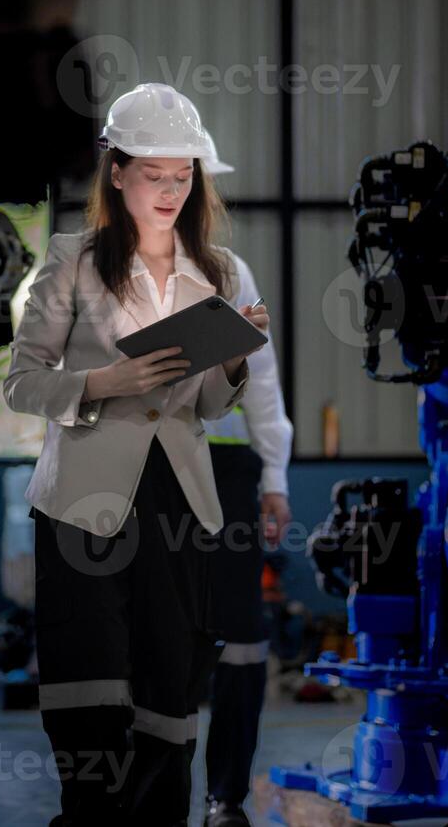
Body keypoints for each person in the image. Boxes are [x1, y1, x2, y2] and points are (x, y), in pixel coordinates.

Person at [3, 82, 271, 827]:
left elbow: (209, 408)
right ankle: (89, 817)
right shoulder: (70, 260)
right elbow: (22, 385)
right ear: (115, 172)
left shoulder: (213, 271)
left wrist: (236, 359)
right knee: (87, 676)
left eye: (184, 175)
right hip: (84, 500)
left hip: (180, 501)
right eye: (154, 174)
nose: (171, 190)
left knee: (170, 679)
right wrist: (104, 381)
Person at [197, 133, 293, 827]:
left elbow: (261, 384)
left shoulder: (231, 273)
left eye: (192, 180)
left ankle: (225, 795)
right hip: (144, 473)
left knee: (242, 637)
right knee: (155, 636)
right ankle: (149, 795)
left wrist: (275, 478)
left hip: (227, 475)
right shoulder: (108, 275)